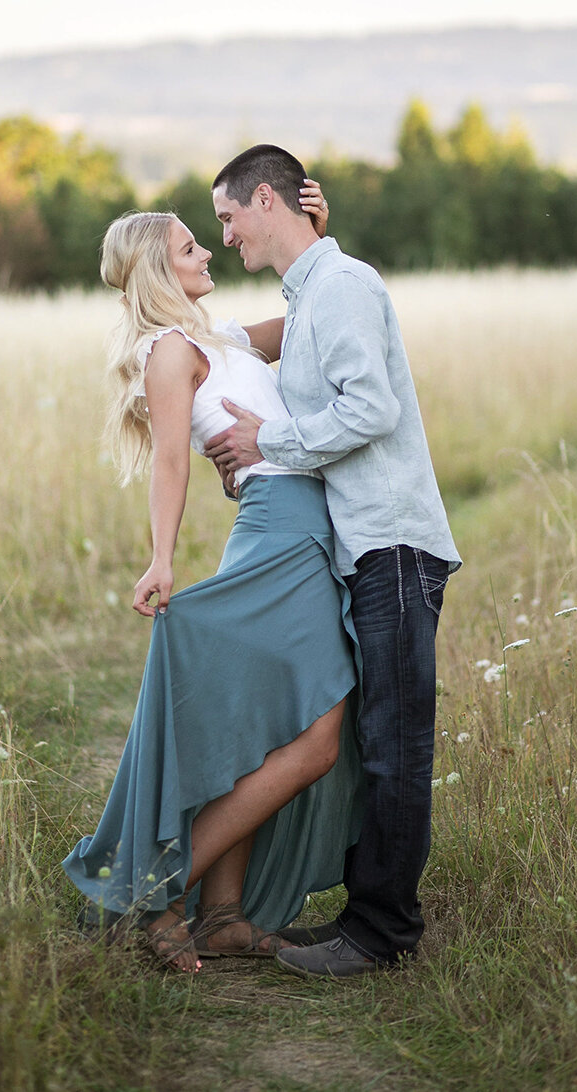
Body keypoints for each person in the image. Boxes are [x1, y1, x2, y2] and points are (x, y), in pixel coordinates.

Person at [62, 190, 363, 972]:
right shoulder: (168, 351)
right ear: (162, 268)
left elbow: (312, 322)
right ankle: (159, 894)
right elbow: (169, 459)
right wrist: (161, 558)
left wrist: (312, 236)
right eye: (192, 247)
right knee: (316, 741)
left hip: (295, 531)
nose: (208, 254)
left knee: (266, 729)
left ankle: (223, 917)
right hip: (278, 534)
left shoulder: (218, 337)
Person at [205, 144, 461, 979]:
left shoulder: (342, 287)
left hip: (391, 542)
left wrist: (264, 438)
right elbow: (286, 347)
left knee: (393, 746)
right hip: (367, 546)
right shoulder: (314, 290)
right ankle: (367, 918)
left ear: (267, 199)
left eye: (229, 216)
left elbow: (372, 408)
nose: (227, 234)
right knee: (373, 741)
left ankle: (380, 935)